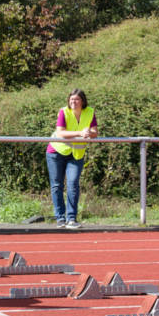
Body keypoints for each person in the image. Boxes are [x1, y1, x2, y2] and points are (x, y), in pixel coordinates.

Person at [46, 88, 98, 229]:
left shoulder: (90, 112)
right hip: (57, 151)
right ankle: (60, 218)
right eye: (71, 99)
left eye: (76, 99)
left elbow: (95, 132)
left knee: (73, 183)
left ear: (83, 101)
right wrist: (80, 133)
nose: (73, 102)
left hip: (76, 154)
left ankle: (71, 218)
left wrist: (89, 133)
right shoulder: (64, 112)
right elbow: (60, 133)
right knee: (57, 185)